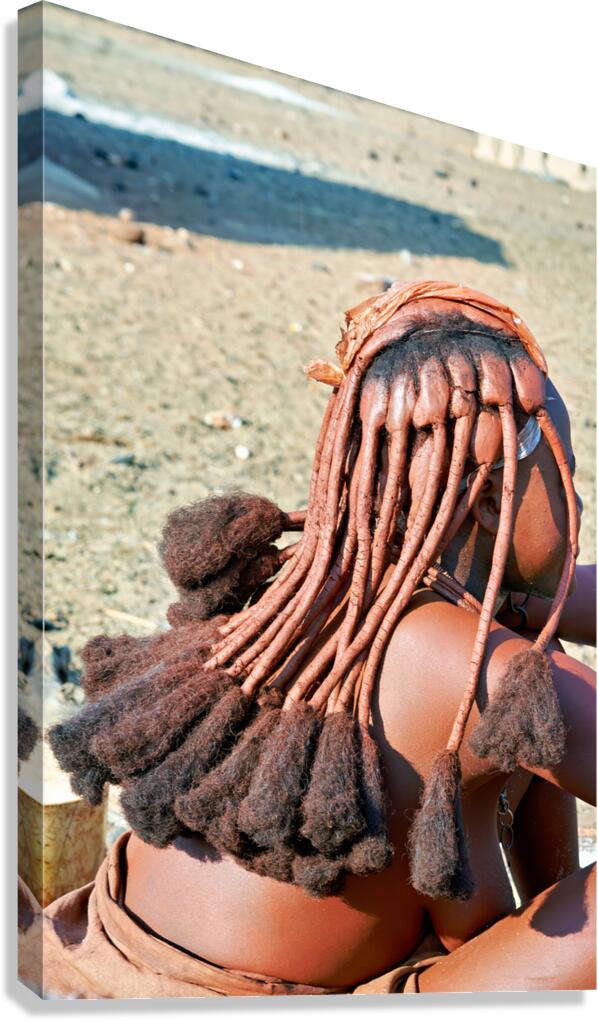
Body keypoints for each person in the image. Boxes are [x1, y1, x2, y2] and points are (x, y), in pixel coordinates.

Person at [44, 281, 595, 997]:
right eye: (569, 479)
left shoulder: (310, 587)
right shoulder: (483, 668)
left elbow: (537, 612)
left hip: (100, 948)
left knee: (533, 682)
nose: (580, 504)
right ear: (492, 500)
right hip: (241, 1002)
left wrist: (538, 604)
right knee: (535, 692)